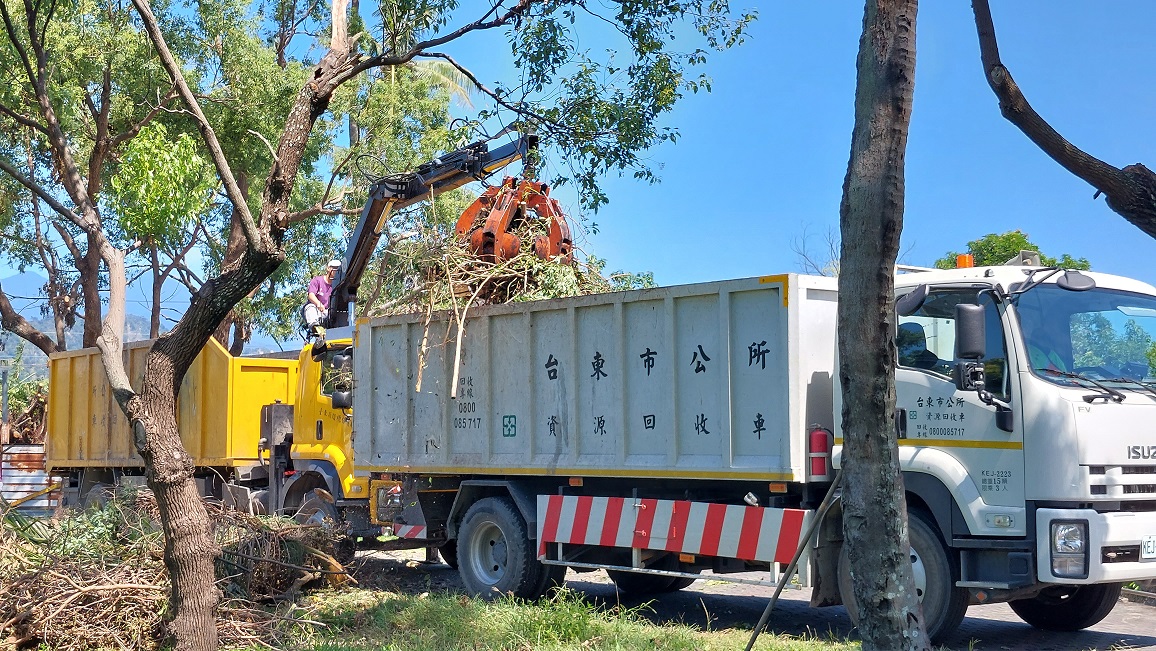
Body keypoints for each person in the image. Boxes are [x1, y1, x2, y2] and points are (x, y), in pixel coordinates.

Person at [304, 259, 341, 328]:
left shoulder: (337, 286)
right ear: (328, 268)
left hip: (327, 313)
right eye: (335, 268)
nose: (336, 271)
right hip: (316, 311)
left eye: (338, 269)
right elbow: (311, 295)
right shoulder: (317, 280)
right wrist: (318, 304)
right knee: (310, 307)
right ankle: (315, 327)